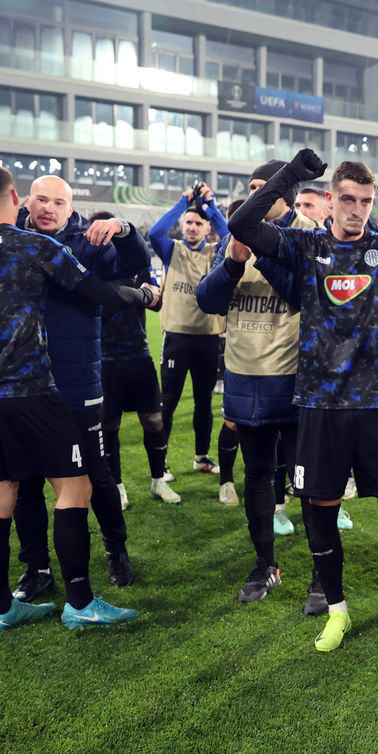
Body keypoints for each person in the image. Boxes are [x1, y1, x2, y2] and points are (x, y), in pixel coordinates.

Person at [227, 151, 378, 651]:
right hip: (319, 403)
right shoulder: (303, 243)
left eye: (364, 201)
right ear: (329, 201)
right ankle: (337, 609)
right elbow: (242, 221)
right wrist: (293, 174)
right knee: (322, 504)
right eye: (346, 199)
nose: (356, 209)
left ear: (372, 202)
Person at [0, 162, 156, 631]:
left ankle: (0, 610)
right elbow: (99, 293)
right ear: (17, 197)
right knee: (75, 486)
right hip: (33, 391)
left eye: (60, 202)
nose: (49, 208)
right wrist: (141, 295)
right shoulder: (36, 247)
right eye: (42, 199)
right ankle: (78, 602)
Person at [197, 163, 318, 602]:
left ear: (286, 194)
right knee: (258, 475)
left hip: (296, 376)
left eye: (262, 191)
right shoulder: (235, 236)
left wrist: (260, 250)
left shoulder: (310, 232)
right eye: (249, 191)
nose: (253, 199)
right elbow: (208, 301)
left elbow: (301, 293)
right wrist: (231, 262)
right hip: (245, 374)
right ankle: (266, 563)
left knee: (308, 480)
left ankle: (323, 572)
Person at [148, 185, 230, 493]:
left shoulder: (215, 252)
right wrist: (183, 202)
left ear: (207, 228)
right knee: (167, 402)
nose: (192, 227)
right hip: (177, 339)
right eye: (188, 223)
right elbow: (156, 232)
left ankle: (201, 457)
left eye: (199, 223)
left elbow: (230, 235)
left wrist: (210, 203)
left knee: (203, 402)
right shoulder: (172, 250)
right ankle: (162, 463)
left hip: (208, 338)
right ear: (183, 225)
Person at [98, 218, 166, 514]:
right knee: (109, 426)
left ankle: (158, 480)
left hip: (139, 354)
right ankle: (117, 486)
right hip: (103, 358)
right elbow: (109, 301)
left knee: (154, 421)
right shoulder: (91, 265)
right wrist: (141, 295)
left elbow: (158, 301)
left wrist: (145, 296)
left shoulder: (136, 263)